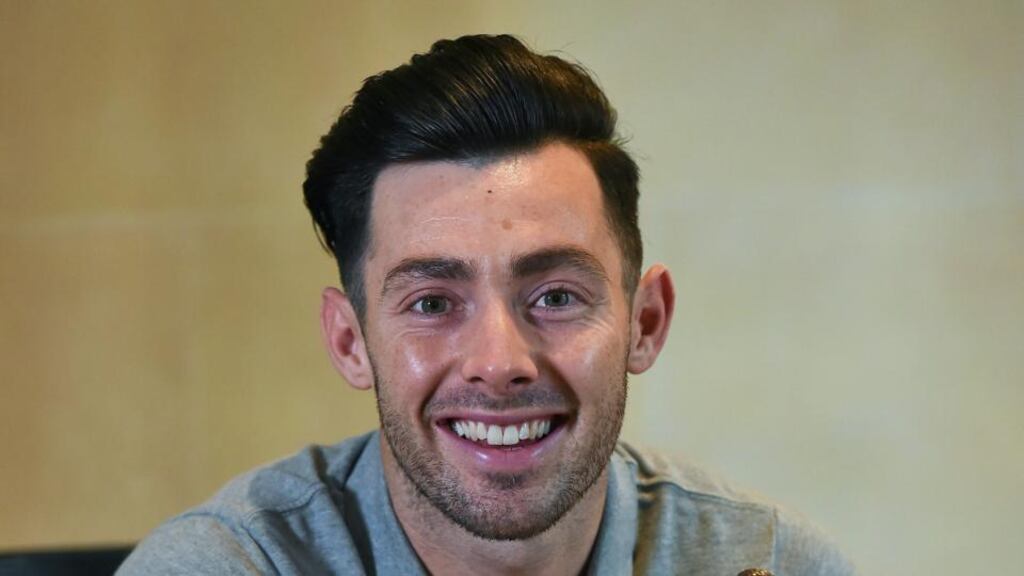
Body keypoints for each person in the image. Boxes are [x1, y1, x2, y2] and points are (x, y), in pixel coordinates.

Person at [118, 34, 854, 575]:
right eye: (433, 302)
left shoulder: (773, 564)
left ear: (646, 320)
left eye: (556, 296)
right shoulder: (221, 567)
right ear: (350, 342)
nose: (499, 364)